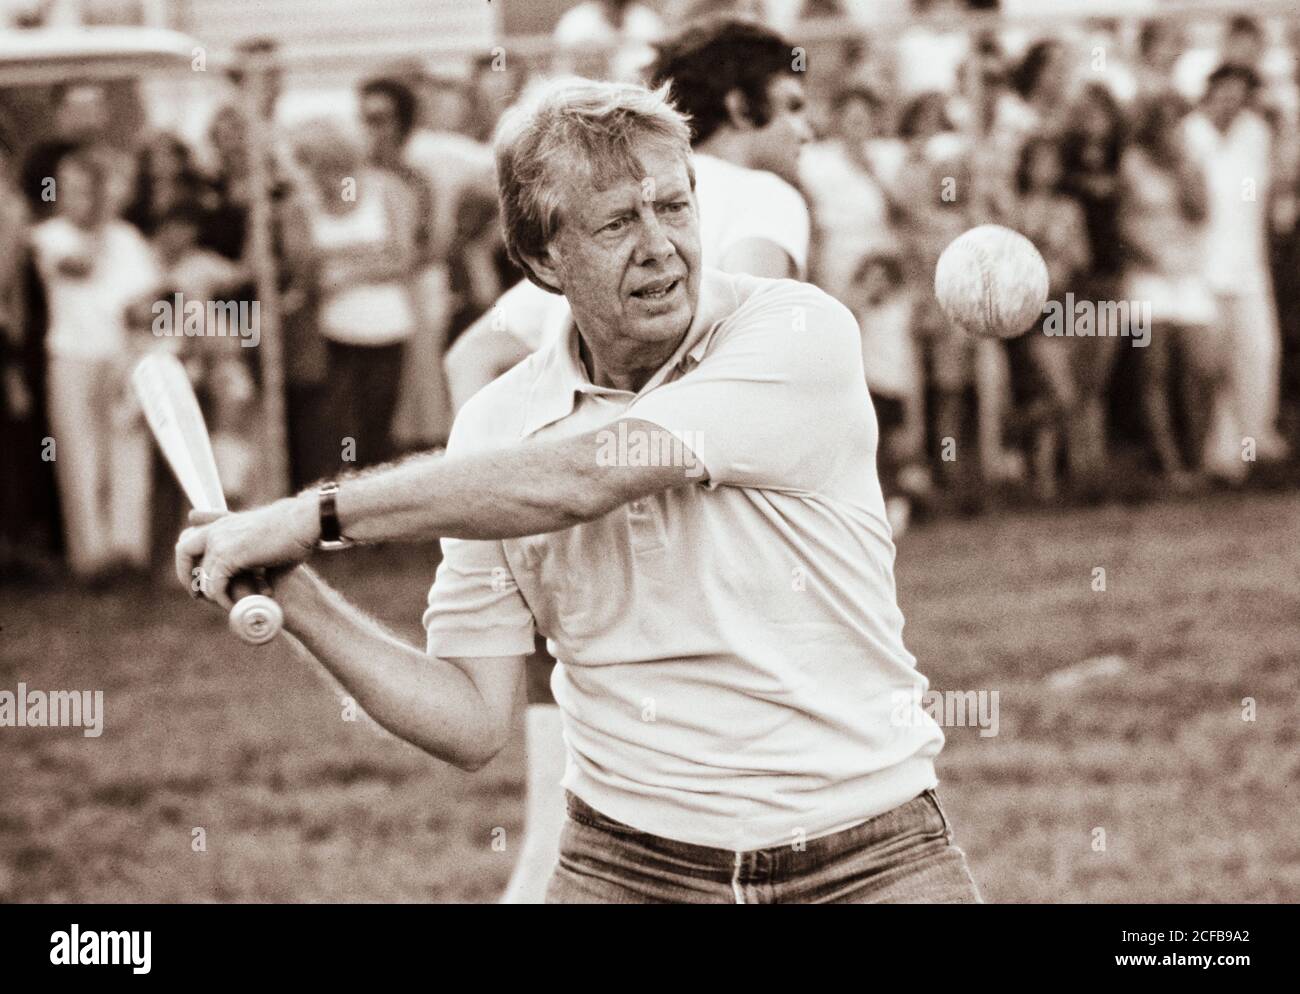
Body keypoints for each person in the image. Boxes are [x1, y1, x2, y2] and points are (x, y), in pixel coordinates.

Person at [174, 77, 980, 905]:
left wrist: (313, 517)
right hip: (627, 866)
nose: (661, 245)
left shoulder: (798, 332)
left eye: (674, 207)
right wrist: (299, 596)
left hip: (869, 853)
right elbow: (472, 723)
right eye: (618, 223)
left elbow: (587, 476)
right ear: (540, 261)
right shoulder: (496, 426)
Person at [444, 16, 815, 903]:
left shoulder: (596, 205)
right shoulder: (758, 199)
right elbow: (741, 345)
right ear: (738, 105)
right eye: (793, 106)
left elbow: (470, 359)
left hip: (572, 568)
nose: (806, 130)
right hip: (686, 579)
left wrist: (519, 501)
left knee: (562, 843)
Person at [30, 149, 160, 579]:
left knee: (127, 451)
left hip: (122, 356)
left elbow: (147, 296)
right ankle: (92, 558)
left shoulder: (127, 238)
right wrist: (103, 219)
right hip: (72, 357)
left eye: (87, 189)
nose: (77, 199)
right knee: (80, 455)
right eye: (70, 190)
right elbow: (77, 266)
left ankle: (128, 550)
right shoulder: (49, 235)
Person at [294, 120, 424, 471]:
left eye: (326, 168)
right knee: (338, 431)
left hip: (386, 329)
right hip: (334, 334)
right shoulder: (305, 206)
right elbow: (307, 271)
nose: (321, 179)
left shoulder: (384, 190)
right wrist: (367, 253)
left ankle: (374, 503)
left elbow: (403, 256)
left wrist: (348, 269)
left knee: (377, 428)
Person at [1185, 64, 1289, 477]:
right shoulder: (1189, 133)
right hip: (1202, 268)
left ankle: (1255, 446)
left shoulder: (1256, 134)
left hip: (1250, 267)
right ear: (1210, 90)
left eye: (1239, 92)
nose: (1231, 99)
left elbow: (1274, 190)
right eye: (1224, 90)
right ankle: (1222, 459)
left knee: (1260, 355)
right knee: (1214, 367)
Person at [1118, 94, 1219, 485]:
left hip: (1189, 274)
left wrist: (1181, 171)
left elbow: (1200, 211)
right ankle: (1170, 464)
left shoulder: (1190, 164)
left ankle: (1197, 458)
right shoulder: (1133, 164)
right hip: (1147, 277)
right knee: (1154, 370)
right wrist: (1152, 255)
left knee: (1204, 368)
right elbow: (1123, 224)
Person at [358, 76, 452, 452]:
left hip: (412, 299)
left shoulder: (416, 180)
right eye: (365, 119)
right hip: (361, 312)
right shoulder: (353, 177)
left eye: (381, 119)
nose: (371, 130)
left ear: (402, 123)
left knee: (417, 401)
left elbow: (426, 246)